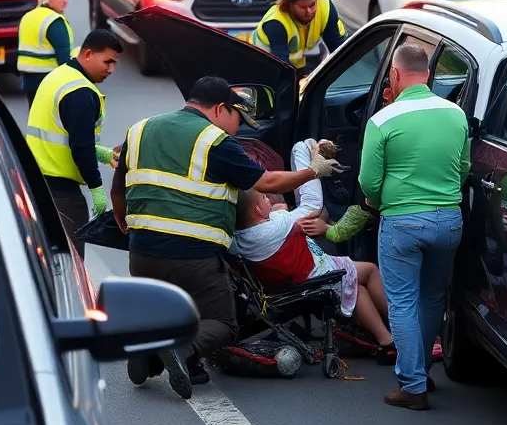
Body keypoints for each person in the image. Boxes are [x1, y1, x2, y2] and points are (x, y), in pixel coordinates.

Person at [111, 76, 344, 400]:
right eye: (238, 119)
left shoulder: (139, 130)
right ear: (220, 109)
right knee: (222, 323)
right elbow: (267, 181)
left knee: (176, 307)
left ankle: (153, 353)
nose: (238, 129)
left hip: (142, 252)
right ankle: (176, 348)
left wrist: (127, 227)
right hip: (192, 255)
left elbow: (118, 190)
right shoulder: (214, 141)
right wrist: (313, 171)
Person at [359, 43, 470, 411]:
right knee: (432, 298)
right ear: (428, 75)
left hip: (403, 224)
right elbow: (464, 168)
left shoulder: (383, 120)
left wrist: (379, 199)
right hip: (449, 222)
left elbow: (368, 182)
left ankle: (412, 385)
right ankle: (421, 372)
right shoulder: (455, 114)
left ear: (394, 74)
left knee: (403, 302)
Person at [233, 188, 394, 356]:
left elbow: (277, 211)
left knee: (357, 286)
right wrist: (277, 210)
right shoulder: (279, 224)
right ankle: (393, 328)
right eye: (265, 198)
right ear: (258, 209)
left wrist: (271, 211)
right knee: (369, 272)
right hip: (314, 275)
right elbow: (288, 208)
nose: (269, 201)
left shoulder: (240, 238)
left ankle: (385, 336)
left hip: (283, 285)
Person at [25, 29, 123, 259]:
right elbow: (80, 146)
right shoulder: (80, 92)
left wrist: (104, 154)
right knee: (71, 259)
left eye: (115, 63)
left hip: (37, 179)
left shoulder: (61, 75)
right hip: (60, 191)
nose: (111, 69)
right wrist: (96, 188)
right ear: (88, 54)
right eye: (107, 62)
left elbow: (63, 135)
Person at [251, 0, 346, 73]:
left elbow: (336, 45)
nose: (309, 12)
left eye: (312, 5)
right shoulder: (276, 22)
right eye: (302, 7)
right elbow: (281, 65)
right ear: (290, 5)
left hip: (298, 62)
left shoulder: (325, 7)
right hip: (264, 65)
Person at [17, 0, 75, 106]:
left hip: (28, 83)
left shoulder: (28, 17)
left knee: (39, 122)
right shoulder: (54, 21)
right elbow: (64, 57)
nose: (65, 1)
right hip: (50, 82)